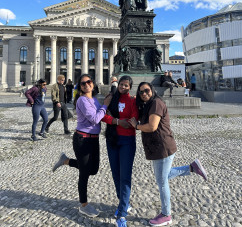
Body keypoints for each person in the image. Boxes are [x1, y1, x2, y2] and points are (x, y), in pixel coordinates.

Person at [129, 82, 208, 226]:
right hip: (157, 147)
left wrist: (137, 126)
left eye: (146, 90)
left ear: (152, 90)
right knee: (163, 176)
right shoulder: (148, 104)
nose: (144, 93)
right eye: (141, 92)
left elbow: (152, 126)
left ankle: (166, 214)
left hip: (162, 147)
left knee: (162, 182)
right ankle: (191, 167)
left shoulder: (157, 103)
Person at [51, 74, 112, 217]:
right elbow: (94, 119)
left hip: (93, 139)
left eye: (88, 82)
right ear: (80, 87)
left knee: (94, 169)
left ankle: (66, 160)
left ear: (92, 83)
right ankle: (83, 205)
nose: (86, 85)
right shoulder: (83, 100)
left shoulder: (94, 100)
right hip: (82, 140)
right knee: (84, 173)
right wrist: (106, 105)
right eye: (82, 83)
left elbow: (101, 114)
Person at [102, 75, 139, 227]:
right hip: (112, 139)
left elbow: (134, 119)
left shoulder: (132, 101)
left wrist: (125, 122)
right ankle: (123, 202)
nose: (123, 87)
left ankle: (122, 213)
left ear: (130, 87)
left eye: (126, 85)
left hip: (127, 141)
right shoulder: (111, 98)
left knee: (125, 176)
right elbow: (102, 115)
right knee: (116, 174)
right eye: (121, 84)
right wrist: (116, 121)